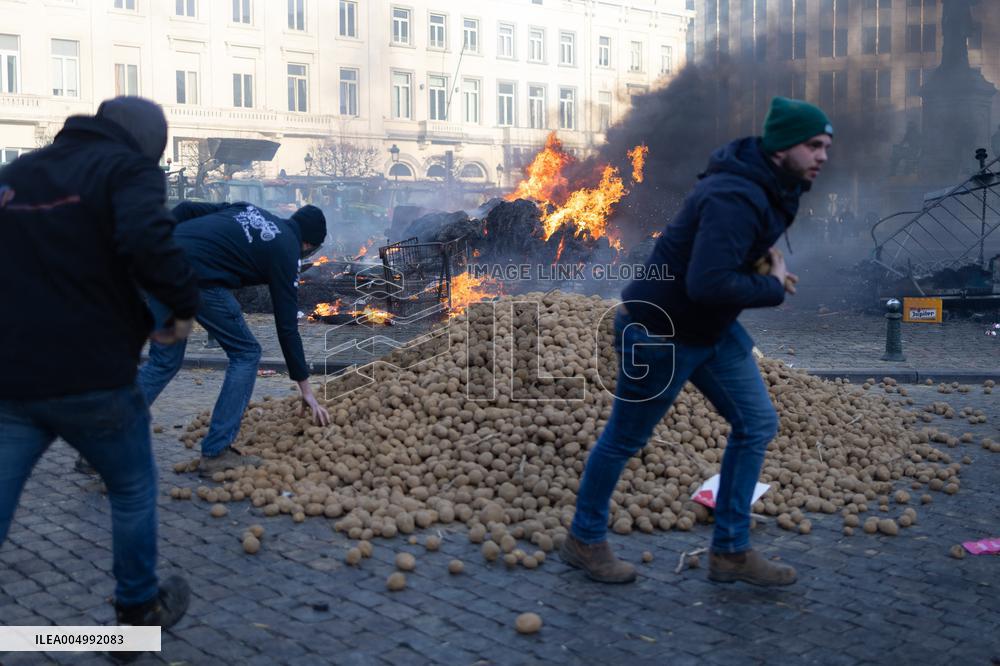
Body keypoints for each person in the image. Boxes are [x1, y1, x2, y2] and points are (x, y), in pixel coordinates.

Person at [561, 97, 833, 586]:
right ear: (780, 149)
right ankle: (584, 540)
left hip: (709, 328)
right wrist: (773, 285)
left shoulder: (771, 184)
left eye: (826, 146)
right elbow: (707, 283)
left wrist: (761, 257)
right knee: (625, 438)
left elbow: (732, 250)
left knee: (756, 422)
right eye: (813, 145)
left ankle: (730, 552)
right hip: (660, 331)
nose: (823, 155)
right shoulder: (735, 194)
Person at [0, 97, 199, 629]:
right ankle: (136, 614)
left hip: (12, 370)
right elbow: (145, 239)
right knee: (132, 488)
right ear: (147, 145)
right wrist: (179, 308)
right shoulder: (126, 169)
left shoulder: (18, 172)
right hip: (91, 371)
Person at [137, 200, 332, 477]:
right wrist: (306, 390)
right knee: (246, 353)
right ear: (309, 245)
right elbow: (287, 326)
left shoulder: (247, 208)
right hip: (194, 281)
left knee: (164, 360)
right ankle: (216, 452)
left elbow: (186, 208)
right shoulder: (287, 251)